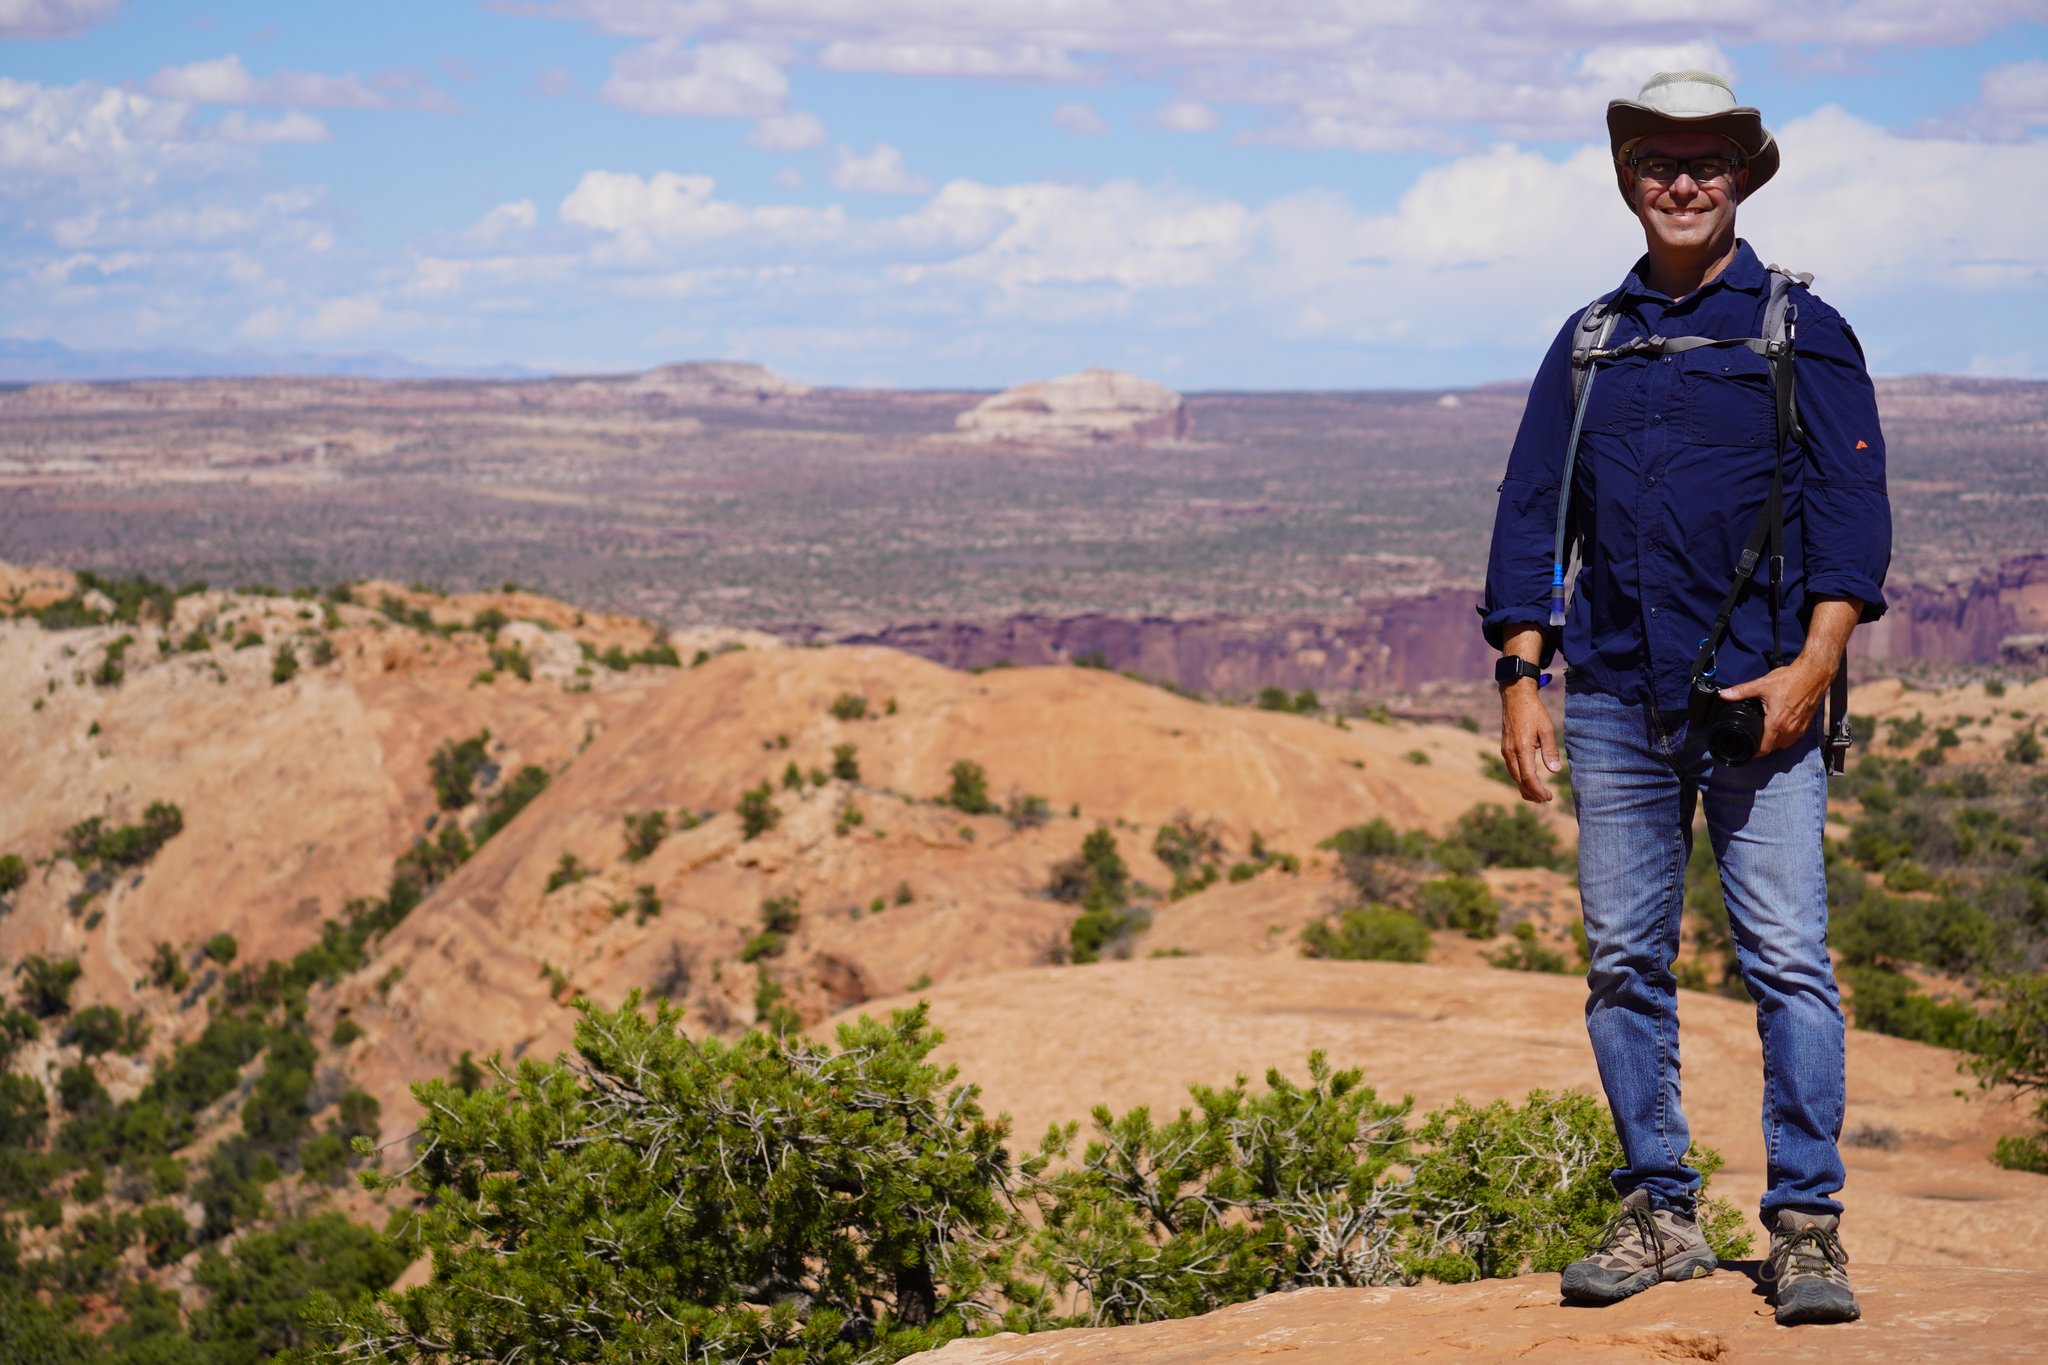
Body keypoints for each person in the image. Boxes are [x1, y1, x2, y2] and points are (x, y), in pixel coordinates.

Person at [1479, 70, 1891, 1326]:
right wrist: (1518, 675)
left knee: (1782, 960)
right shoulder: (1590, 337)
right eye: (1657, 160)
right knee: (1620, 961)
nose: (1680, 181)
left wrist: (1815, 665)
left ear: (1740, 177)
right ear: (1626, 178)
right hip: (1609, 691)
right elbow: (1529, 509)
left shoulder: (1794, 326)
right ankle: (1659, 1209)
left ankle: (1805, 1225)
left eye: (1705, 161)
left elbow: (1848, 513)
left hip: (1759, 694)